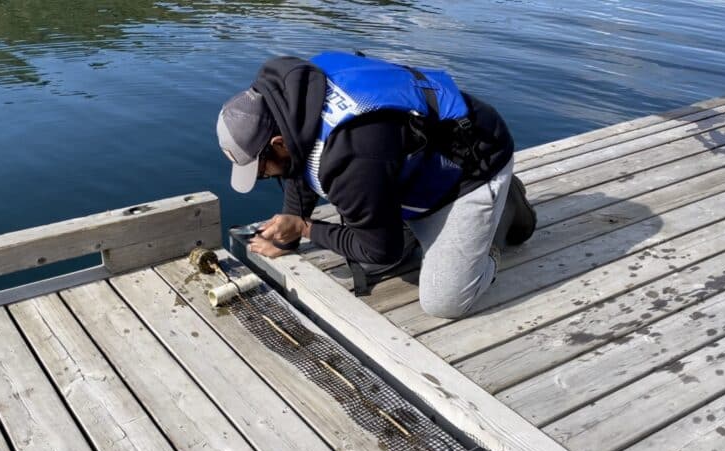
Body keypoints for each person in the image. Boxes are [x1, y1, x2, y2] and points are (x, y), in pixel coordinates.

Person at [216, 51, 536, 319]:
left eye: (261, 169)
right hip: (408, 165)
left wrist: (304, 228)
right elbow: (299, 165)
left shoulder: (351, 157)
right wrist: (287, 236)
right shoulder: (295, 98)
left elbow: (381, 250)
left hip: (474, 169)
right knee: (367, 244)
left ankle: (502, 214)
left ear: (278, 142)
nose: (264, 176)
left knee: (444, 301)